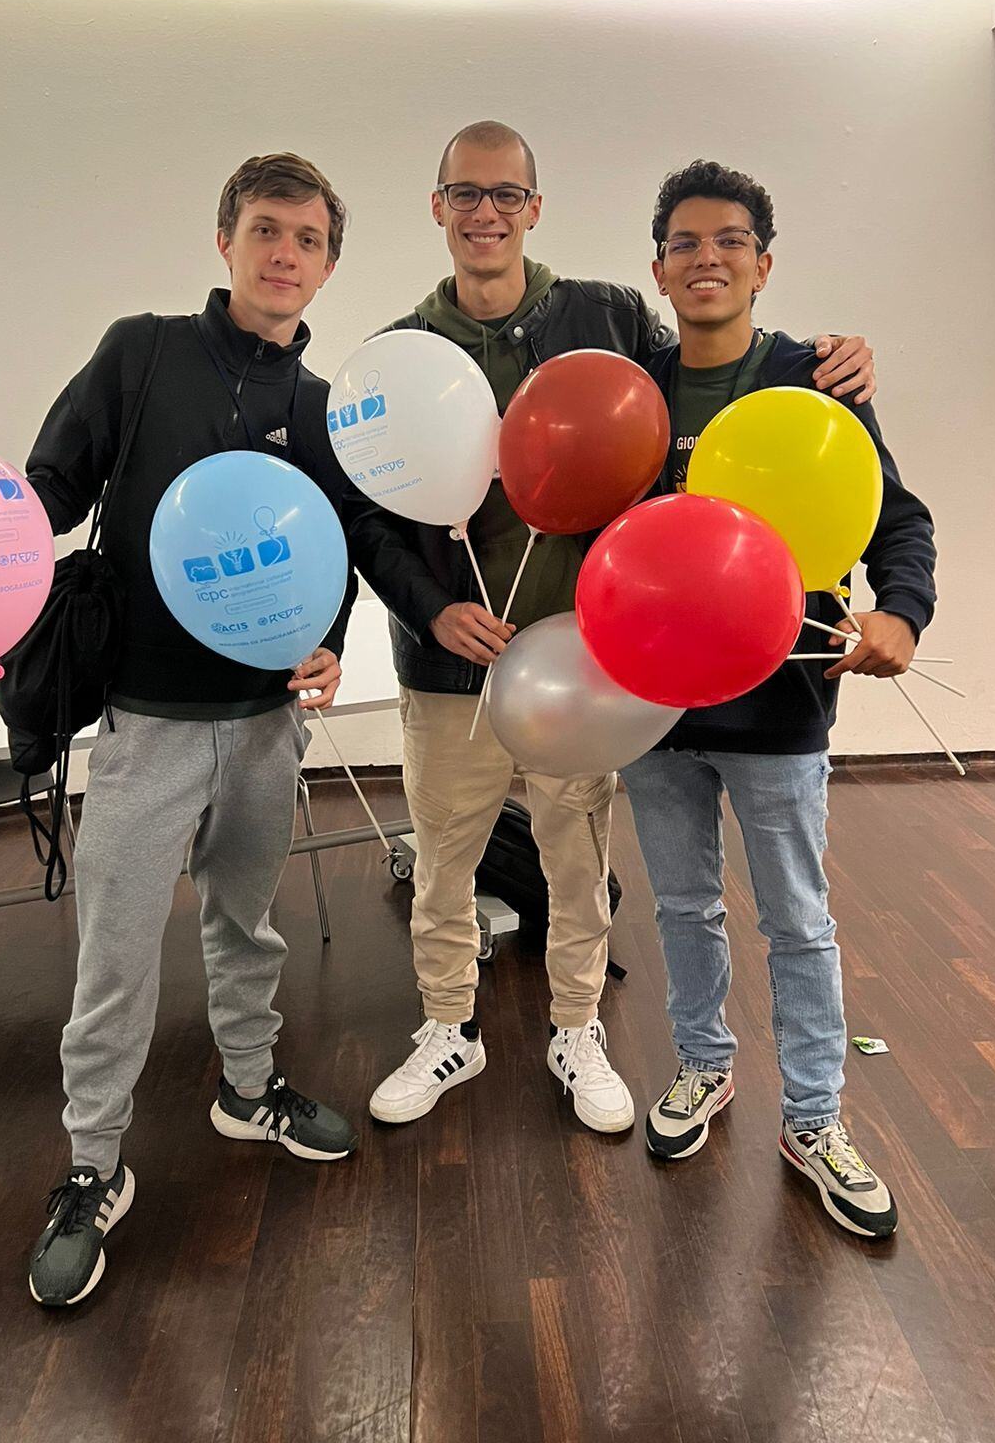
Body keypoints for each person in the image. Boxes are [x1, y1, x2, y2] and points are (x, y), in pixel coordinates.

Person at [367, 122, 878, 1136]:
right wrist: (429, 606)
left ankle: (578, 1026)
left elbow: (689, 390)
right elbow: (371, 514)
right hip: (448, 666)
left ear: (533, 209)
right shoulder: (398, 355)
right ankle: (444, 1027)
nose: (484, 213)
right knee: (444, 856)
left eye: (506, 194)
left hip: (585, 660)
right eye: (464, 194)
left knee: (576, 858)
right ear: (436, 207)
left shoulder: (602, 314)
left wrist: (835, 358)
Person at [22, 152, 438, 1307]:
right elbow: (54, 483)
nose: (285, 255)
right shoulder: (142, 352)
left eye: (308, 240)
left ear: (329, 263)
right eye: (265, 230)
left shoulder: (322, 408)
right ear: (226, 240)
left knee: (246, 926)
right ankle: (91, 1166)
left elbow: (341, 543)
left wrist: (331, 635)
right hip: (150, 721)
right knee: (115, 956)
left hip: (264, 725)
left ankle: (247, 1090)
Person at [622, 159, 936, 1240]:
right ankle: (704, 1068)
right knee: (682, 906)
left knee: (798, 923)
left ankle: (815, 1118)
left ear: (763, 262)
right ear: (657, 268)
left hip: (779, 704)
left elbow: (897, 521)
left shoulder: (815, 381)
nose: (706, 259)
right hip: (652, 707)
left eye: (728, 242)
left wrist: (901, 612)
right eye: (684, 244)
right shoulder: (633, 390)